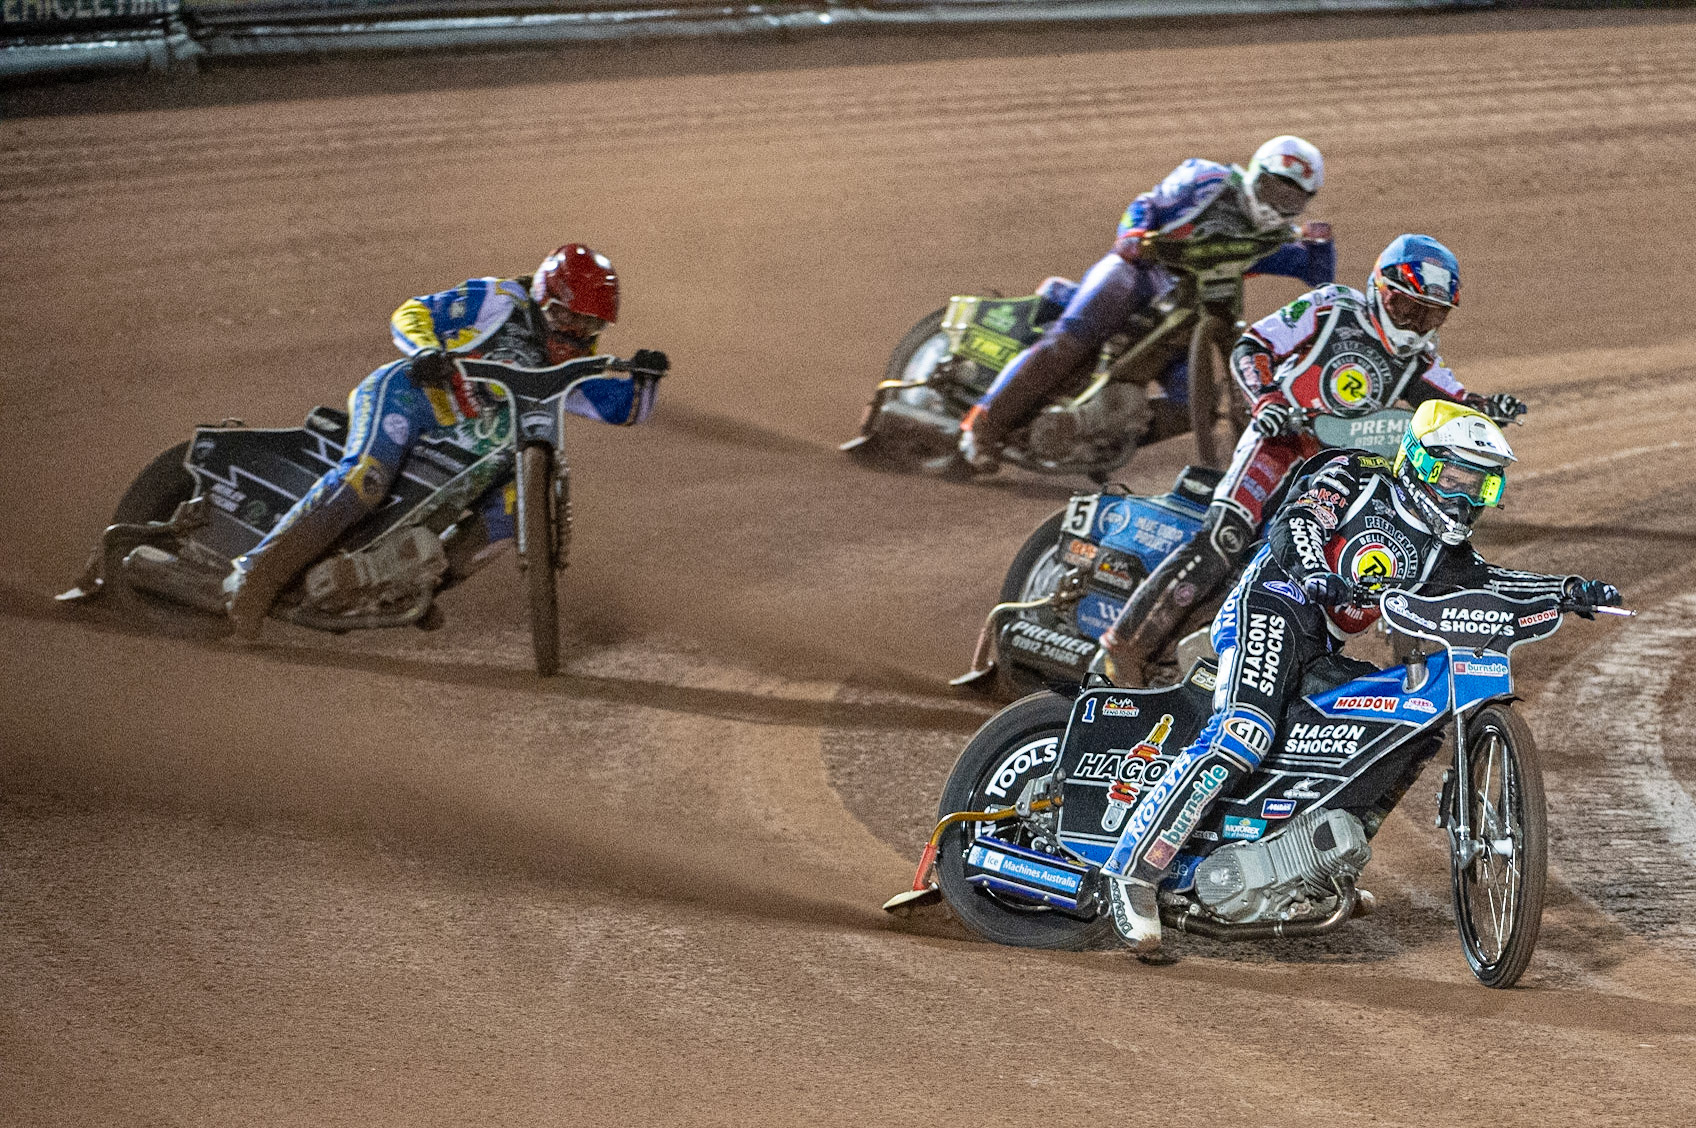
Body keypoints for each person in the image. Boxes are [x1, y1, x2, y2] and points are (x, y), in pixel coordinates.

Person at [1098, 400, 1621, 951]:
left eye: (1482, 487)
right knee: (1243, 732)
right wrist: (1315, 572)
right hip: (1270, 605)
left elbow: (1490, 581)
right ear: (1420, 461)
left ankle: (1311, 865)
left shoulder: (1444, 550)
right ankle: (1132, 869)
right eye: (1457, 478)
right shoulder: (1352, 474)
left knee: (1410, 726)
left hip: (1320, 643)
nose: (1466, 497)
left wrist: (1564, 590)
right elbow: (1299, 521)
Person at [1097, 233, 1528, 685]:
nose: (1416, 323)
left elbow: (1455, 403)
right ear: (1380, 290)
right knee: (1225, 535)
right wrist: (1265, 400)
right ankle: (1124, 645)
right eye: (1407, 308)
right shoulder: (1332, 307)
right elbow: (1252, 346)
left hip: (1329, 468)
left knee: (1298, 567)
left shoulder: (1420, 358)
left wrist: (1488, 409)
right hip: (1277, 442)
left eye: (1430, 314)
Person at [222, 243, 642, 638]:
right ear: (544, 299)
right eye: (569, 317)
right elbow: (413, 311)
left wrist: (647, 377)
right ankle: (255, 578)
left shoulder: (574, 368)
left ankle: (411, 586)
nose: (577, 332)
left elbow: (623, 406)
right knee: (366, 480)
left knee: (511, 516)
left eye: (591, 324)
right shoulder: (498, 299)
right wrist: (424, 350)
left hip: (474, 448)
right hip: (411, 398)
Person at [956, 135, 1335, 472]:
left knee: (1191, 407)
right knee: (1071, 341)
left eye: (1291, 197)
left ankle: (1098, 435)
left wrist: (1323, 245)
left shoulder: (1274, 241)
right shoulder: (1207, 179)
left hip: (1189, 310)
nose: (1277, 203)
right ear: (1255, 175)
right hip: (1137, 272)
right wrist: (1132, 234)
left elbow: (1319, 278)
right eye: (1273, 188)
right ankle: (982, 425)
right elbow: (1146, 203)